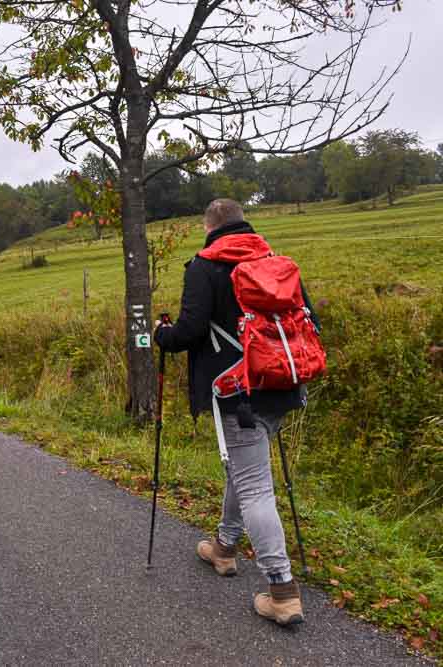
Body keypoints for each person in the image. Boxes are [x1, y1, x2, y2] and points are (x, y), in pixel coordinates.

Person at [154, 198, 318, 627]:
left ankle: (282, 591)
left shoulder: (204, 266)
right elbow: (308, 320)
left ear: (209, 228)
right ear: (245, 224)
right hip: (283, 383)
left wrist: (161, 335)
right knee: (244, 473)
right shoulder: (276, 262)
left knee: (255, 487)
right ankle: (224, 548)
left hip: (237, 392)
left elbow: (189, 332)